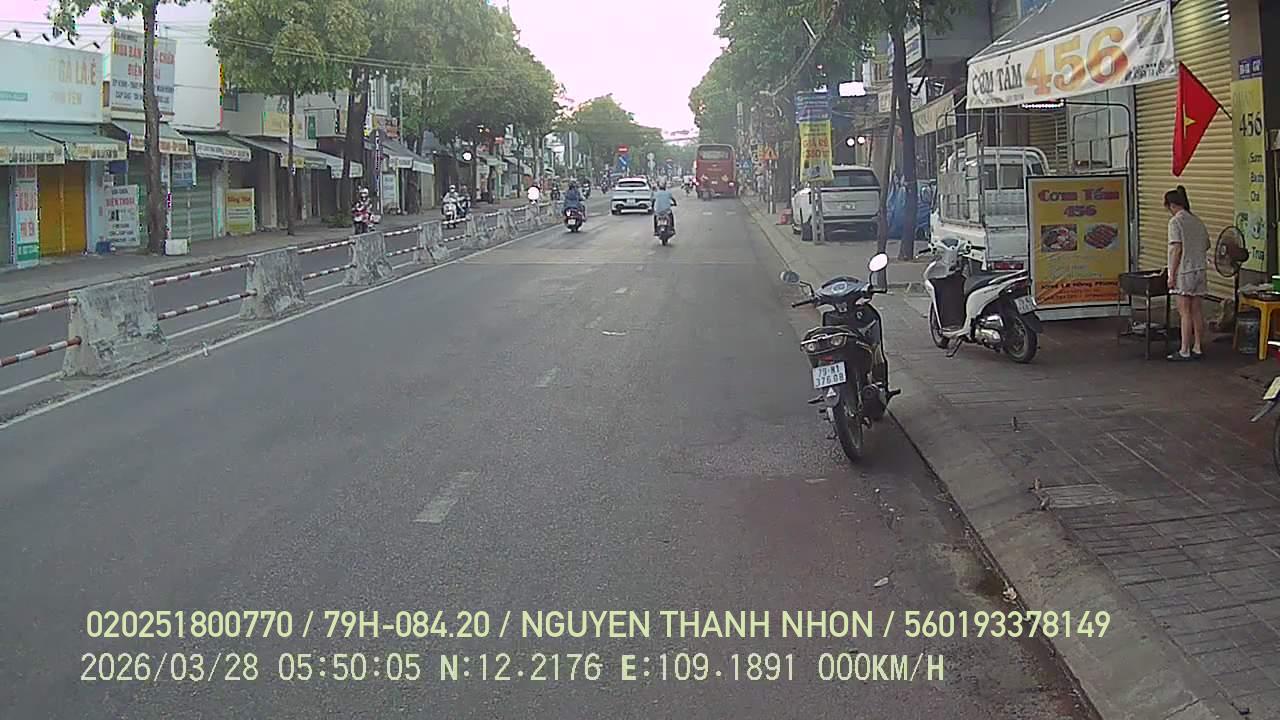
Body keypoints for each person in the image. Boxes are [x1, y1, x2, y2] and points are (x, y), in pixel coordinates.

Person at [1165, 185, 1210, 361]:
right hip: (1200, 270)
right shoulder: (1197, 221)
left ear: (1171, 205)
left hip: (1185, 271)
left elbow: (1176, 249)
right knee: (1197, 310)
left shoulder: (1175, 222)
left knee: (1185, 312)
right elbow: (1207, 244)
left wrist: (1171, 275)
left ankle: (1184, 350)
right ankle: (1198, 347)